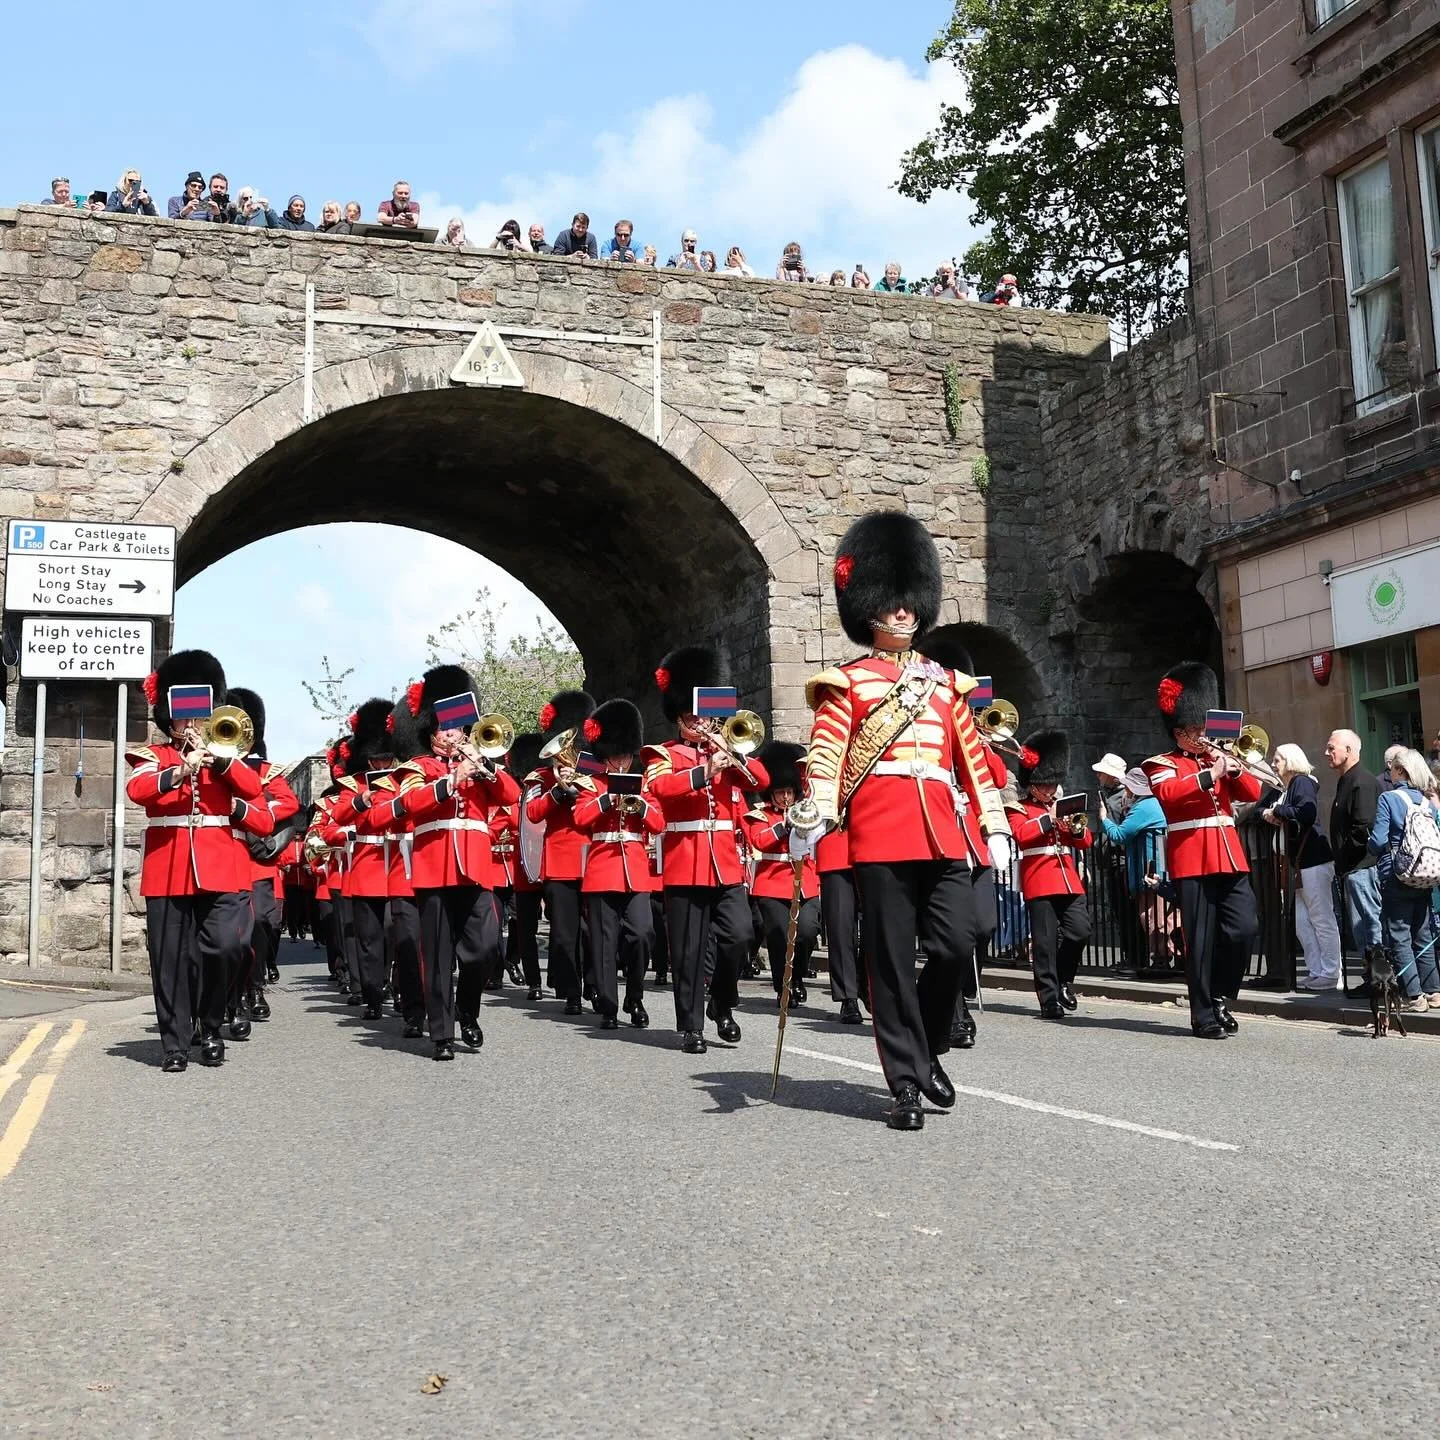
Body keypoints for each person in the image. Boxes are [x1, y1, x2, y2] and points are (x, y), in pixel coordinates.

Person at [802, 511, 1010, 1130]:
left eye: (908, 602)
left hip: (944, 830)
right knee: (889, 962)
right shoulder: (848, 683)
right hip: (881, 833)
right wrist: (814, 813)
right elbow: (828, 753)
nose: (903, 614)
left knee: (958, 940)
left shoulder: (947, 686)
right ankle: (904, 1083)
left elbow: (971, 758)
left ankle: (925, 1047)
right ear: (868, 610)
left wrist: (993, 824)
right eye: (890, 604)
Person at [126, 650, 273, 1071]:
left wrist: (219, 760)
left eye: (198, 716)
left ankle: (210, 1025)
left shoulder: (228, 758)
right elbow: (139, 789)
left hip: (221, 867)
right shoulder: (154, 756)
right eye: (183, 717)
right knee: (170, 960)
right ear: (169, 718)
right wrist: (180, 771)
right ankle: (175, 1044)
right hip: (169, 868)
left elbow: (253, 791)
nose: (190, 725)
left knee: (228, 946)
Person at [644, 646, 769, 1053]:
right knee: (688, 950)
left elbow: (760, 780)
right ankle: (692, 1026)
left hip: (725, 865)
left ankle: (722, 1001)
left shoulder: (726, 748)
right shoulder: (664, 754)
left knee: (739, 935)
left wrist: (733, 755)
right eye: (693, 718)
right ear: (680, 718)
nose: (701, 723)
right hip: (684, 863)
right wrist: (704, 771)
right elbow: (661, 789)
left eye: (704, 716)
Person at [392, 666, 521, 1060]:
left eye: (457, 727)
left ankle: (468, 1010)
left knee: (483, 949)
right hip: (435, 870)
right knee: (438, 957)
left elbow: (513, 796)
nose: (452, 734)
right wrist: (451, 780)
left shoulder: (483, 766)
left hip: (475, 871)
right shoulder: (418, 769)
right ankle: (442, 1034)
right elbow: (410, 804)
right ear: (431, 732)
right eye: (444, 728)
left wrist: (486, 769)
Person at [1142, 663, 1261, 1039]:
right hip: (1192, 858)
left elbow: (1254, 794)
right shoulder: (1161, 764)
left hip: (1229, 855)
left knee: (1244, 928)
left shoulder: (1218, 759)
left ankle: (1222, 995)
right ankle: (1204, 1013)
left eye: (1203, 728)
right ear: (1179, 732)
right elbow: (1170, 795)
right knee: (1201, 940)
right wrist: (1210, 774)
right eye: (1195, 730)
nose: (1202, 735)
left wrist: (1234, 768)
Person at [573, 700, 660, 1029]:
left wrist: (641, 808)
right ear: (604, 756)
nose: (622, 762)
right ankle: (609, 1006)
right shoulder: (590, 785)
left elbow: (660, 823)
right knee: (605, 942)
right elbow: (581, 818)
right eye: (616, 756)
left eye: (625, 756)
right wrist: (606, 800)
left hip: (635, 871)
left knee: (642, 933)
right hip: (601, 871)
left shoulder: (643, 785)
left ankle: (634, 996)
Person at [223, 686, 300, 1033]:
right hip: (224, 857)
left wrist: (256, 811)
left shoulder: (266, 772)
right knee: (229, 936)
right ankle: (231, 996)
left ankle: (254, 989)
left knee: (258, 932)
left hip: (258, 864)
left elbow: (288, 804)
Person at [1007, 731, 1091, 1018]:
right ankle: (1049, 999)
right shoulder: (1018, 808)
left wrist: (1075, 828)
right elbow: (1021, 834)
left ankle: (1064, 980)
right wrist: (1049, 820)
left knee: (1080, 931)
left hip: (1068, 877)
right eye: (1045, 783)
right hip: (1040, 880)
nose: (1051, 788)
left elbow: (1086, 841)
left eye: (1054, 782)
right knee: (1043, 944)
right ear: (1032, 785)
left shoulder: (1061, 807)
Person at [525, 690, 598, 1013]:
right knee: (565, 934)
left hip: (593, 857)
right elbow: (534, 813)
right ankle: (571, 991)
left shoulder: (594, 770)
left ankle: (596, 985)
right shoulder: (540, 777)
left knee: (595, 931)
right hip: (558, 863)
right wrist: (558, 789)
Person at [742, 742, 819, 1011]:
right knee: (777, 934)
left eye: (789, 792)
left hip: (805, 879)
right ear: (771, 793)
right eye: (780, 793)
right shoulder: (760, 815)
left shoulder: (806, 811)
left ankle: (797, 977)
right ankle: (783, 986)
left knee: (807, 932)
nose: (786, 798)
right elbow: (759, 841)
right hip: (772, 882)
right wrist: (783, 828)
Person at [1264, 743, 1341, 990]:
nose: (1273, 764)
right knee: (1301, 920)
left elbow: (1306, 813)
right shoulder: (1288, 787)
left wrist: (1276, 809)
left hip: (1313, 860)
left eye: (1277, 759)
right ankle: (1317, 969)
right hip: (1299, 862)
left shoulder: (1302, 782)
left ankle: (1331, 972)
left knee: (1320, 917)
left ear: (1291, 760)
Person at [1368, 748, 1440, 1011]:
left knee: (1399, 934)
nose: (1390, 773)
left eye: (1393, 769)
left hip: (1396, 872)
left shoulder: (1389, 798)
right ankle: (1434, 991)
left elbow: (1378, 840)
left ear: (1400, 771)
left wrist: (1370, 847)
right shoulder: (1426, 802)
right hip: (1424, 873)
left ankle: (1415, 995)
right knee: (1423, 931)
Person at [1325, 729, 1383, 984]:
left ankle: (1380, 980)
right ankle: (1370, 977)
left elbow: (1363, 828)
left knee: (1370, 924)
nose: (1326, 753)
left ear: (1349, 751)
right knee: (1360, 929)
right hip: (1351, 868)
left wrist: (1345, 858)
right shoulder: (1346, 779)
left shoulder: (1362, 781)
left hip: (1362, 867)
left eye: (1331, 748)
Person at [1101, 768, 1174, 970]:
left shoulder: (1145, 807)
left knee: (1152, 915)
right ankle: (1163, 956)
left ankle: (1161, 958)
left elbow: (1119, 835)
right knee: (1156, 914)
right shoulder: (1146, 805)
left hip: (1151, 869)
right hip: (1152, 867)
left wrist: (1104, 818)